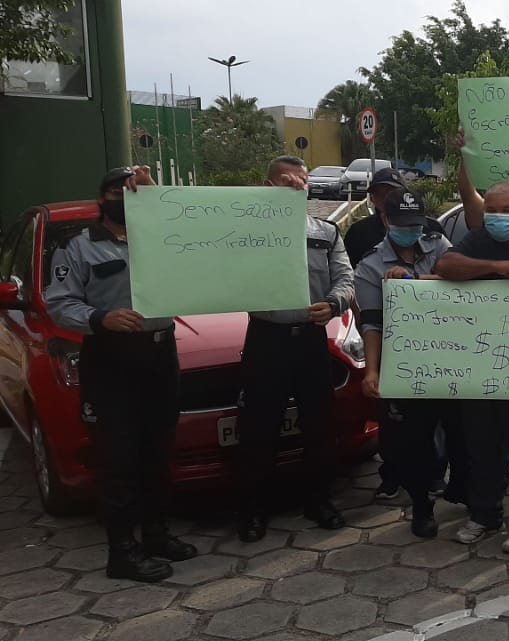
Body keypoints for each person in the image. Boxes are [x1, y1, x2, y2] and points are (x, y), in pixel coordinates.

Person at [45, 166, 198, 582]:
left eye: (129, 191)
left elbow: (197, 233)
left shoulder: (165, 238)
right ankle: (122, 552)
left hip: (160, 355)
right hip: (111, 359)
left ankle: (156, 535)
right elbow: (58, 303)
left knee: (156, 452)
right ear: (101, 198)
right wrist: (100, 317)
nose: (123, 197)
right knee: (118, 459)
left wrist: (154, 193)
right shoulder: (77, 248)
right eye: (115, 191)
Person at [236, 156, 357, 543]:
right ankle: (254, 509)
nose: (298, 188)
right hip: (266, 339)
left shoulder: (326, 231)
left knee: (319, 425)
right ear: (269, 185)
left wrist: (334, 304)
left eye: (303, 182)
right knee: (259, 428)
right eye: (288, 182)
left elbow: (345, 278)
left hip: (309, 340)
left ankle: (319, 501)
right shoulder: (244, 232)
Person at [434, 182, 509, 554]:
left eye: (505, 210)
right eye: (491, 210)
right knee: (481, 447)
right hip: (477, 370)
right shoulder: (475, 243)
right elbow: (444, 265)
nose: (497, 217)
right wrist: (495, 267)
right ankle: (484, 514)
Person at [355, 190, 456, 537]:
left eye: (416, 225)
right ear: (385, 220)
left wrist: (416, 283)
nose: (410, 232)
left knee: (458, 432)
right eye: (402, 225)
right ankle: (421, 507)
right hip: (407, 365)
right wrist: (372, 370)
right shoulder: (370, 266)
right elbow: (371, 323)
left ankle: (461, 490)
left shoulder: (440, 247)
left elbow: (465, 285)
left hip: (453, 357)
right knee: (414, 439)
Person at [344, 168, 407, 264]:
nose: (387, 199)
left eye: (393, 193)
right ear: (373, 199)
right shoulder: (358, 232)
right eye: (381, 194)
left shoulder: (428, 228)